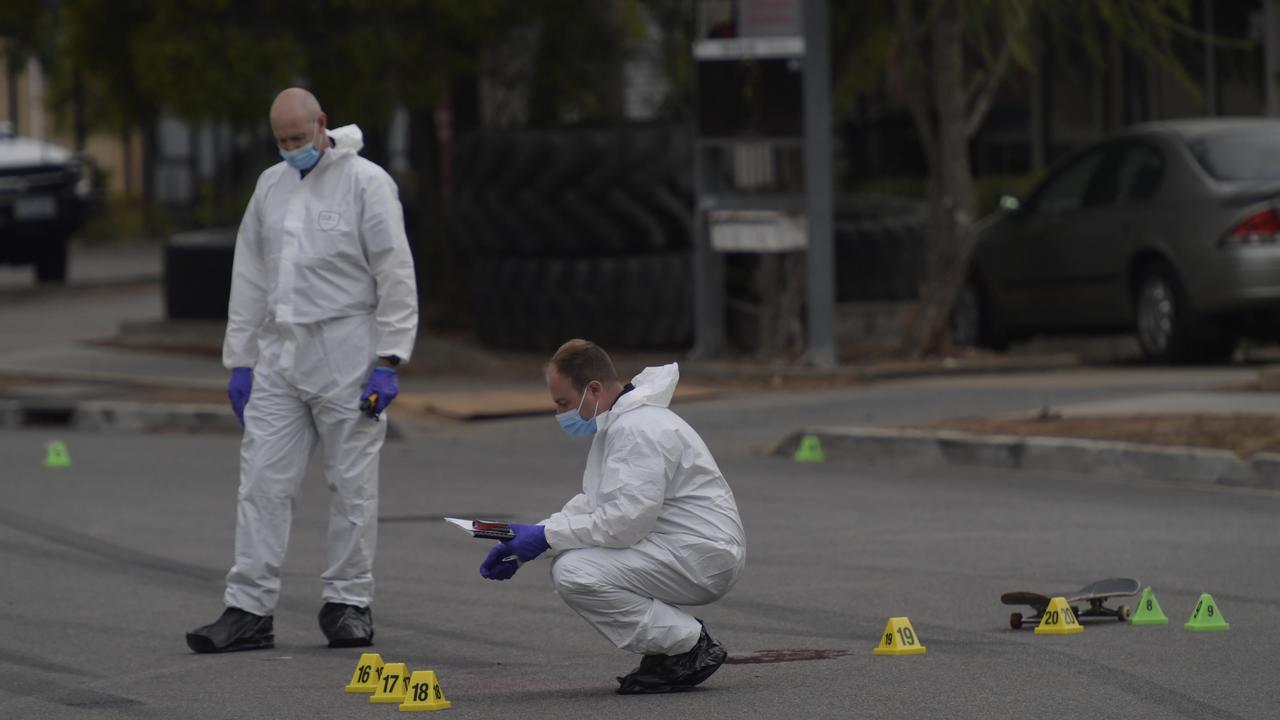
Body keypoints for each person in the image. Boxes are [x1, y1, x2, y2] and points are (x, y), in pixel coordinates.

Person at [186, 88, 418, 653]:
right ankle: (248, 610)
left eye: (299, 138)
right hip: (279, 356)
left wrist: (388, 360)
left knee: (352, 486)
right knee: (262, 483)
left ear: (322, 124)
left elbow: (395, 273)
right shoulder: (271, 185)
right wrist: (240, 359)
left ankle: (348, 602)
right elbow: (250, 277)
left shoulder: (367, 182)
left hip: (349, 351)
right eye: (282, 141)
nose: (292, 150)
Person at [479, 339, 747, 694]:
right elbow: (594, 505)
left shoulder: (638, 430)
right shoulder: (625, 423)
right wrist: (533, 537)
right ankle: (672, 648)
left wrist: (544, 539)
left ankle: (687, 646)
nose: (560, 414)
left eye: (563, 403)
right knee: (576, 560)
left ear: (593, 389)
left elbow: (623, 524)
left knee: (575, 571)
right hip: (687, 547)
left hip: (701, 555)